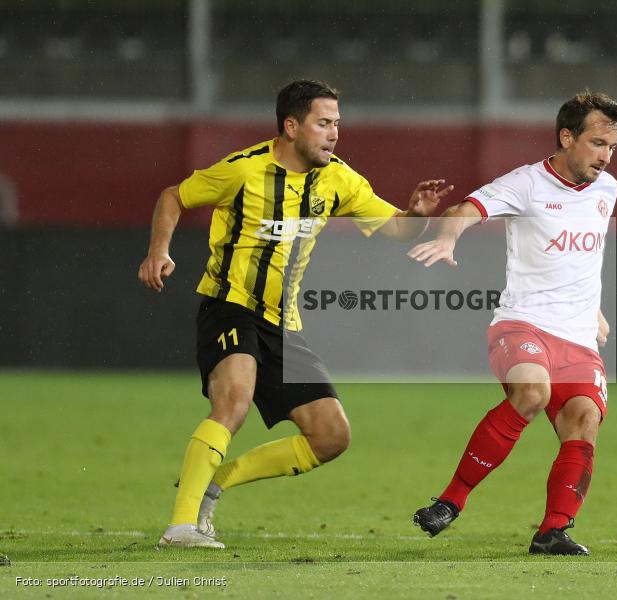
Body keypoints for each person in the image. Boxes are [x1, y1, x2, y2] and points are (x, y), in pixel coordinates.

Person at [139, 79, 453, 549]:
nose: (334, 135)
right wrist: (158, 250)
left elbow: (396, 231)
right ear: (291, 126)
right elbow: (173, 196)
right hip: (231, 306)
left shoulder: (339, 179)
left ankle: (213, 478)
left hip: (283, 324)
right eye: (324, 124)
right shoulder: (243, 171)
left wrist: (417, 214)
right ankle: (181, 526)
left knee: (331, 437)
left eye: (337, 125)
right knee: (233, 403)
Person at [408, 91, 617, 555]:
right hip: (523, 325)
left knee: (583, 421)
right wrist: (449, 239)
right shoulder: (527, 184)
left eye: (612, 147)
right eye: (597, 144)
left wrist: (591, 307)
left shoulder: (606, 189)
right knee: (533, 392)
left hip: (578, 338)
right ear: (566, 137)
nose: (606, 157)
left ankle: (553, 531)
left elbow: (585, 252)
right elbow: (462, 212)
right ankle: (450, 503)